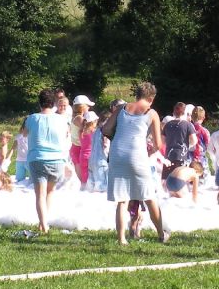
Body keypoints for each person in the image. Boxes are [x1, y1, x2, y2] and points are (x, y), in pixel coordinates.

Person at [106, 82, 168, 245]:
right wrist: (149, 152)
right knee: (149, 196)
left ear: (137, 95)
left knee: (122, 199)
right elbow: (158, 144)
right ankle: (161, 234)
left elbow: (105, 129)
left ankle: (121, 239)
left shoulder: (121, 108)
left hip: (117, 154)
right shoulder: (151, 113)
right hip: (137, 155)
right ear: (151, 98)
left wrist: (118, 137)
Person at [25, 88, 70, 234]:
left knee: (40, 194)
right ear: (54, 103)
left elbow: (24, 133)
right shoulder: (62, 119)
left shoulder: (32, 118)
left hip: (38, 159)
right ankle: (43, 222)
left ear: (39, 103)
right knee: (50, 192)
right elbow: (66, 134)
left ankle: (44, 224)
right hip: (57, 160)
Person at [162, 102, 198, 178]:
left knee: (167, 180)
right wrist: (188, 145)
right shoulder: (188, 125)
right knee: (179, 179)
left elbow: (163, 141)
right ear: (184, 112)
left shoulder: (167, 124)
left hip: (168, 156)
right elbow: (194, 140)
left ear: (174, 112)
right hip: (181, 156)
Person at [77, 110, 98, 186]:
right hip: (92, 156)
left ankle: (84, 187)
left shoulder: (81, 131)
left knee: (84, 175)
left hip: (82, 156)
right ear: (93, 122)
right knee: (93, 174)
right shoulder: (94, 132)